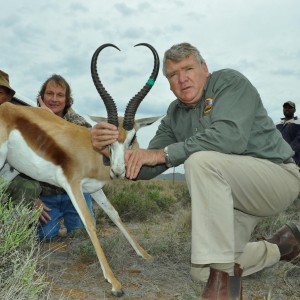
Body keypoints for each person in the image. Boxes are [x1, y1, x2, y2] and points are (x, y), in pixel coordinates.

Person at [90, 43, 300, 299]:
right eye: (173, 75)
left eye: (188, 68)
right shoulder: (174, 114)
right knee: (202, 271)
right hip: (233, 199)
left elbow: (229, 138)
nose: (181, 78)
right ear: (168, 83)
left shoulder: (229, 83)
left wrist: (164, 154)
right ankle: (283, 246)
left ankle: (225, 285)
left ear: (204, 69)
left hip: (276, 178)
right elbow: (144, 169)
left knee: (199, 161)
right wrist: (109, 150)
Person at [35, 74, 95, 240]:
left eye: (60, 95)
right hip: (45, 196)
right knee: (45, 237)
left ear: (67, 99)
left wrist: (51, 120)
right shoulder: (30, 120)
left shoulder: (75, 120)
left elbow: (87, 137)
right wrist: (31, 198)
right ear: (41, 96)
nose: (54, 99)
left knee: (83, 237)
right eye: (50, 94)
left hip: (74, 192)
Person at [0, 69, 42, 205]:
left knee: (29, 188)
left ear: (9, 97)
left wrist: (32, 197)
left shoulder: (22, 124)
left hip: (6, 177)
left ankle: (18, 223)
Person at [276, 101, 300, 166]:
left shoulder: (298, 123)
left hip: (292, 161)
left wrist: (285, 152)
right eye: (285, 107)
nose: (287, 109)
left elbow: (298, 142)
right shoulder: (277, 124)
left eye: (290, 107)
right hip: (276, 159)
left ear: (294, 110)